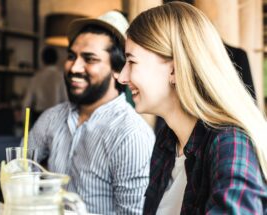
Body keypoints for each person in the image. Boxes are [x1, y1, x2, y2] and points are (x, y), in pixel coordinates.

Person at [117, 2, 267, 214]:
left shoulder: (230, 142)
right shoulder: (167, 141)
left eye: (131, 61)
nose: (122, 76)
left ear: (175, 69)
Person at [25, 10, 155, 214]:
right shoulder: (52, 117)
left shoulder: (130, 134)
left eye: (90, 59)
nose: (74, 67)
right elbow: (21, 171)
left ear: (117, 69)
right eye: (71, 56)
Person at [22, 46, 68, 124]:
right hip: (56, 118)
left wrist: (25, 126)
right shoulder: (61, 77)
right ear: (56, 59)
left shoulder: (36, 77)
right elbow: (66, 101)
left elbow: (26, 103)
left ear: (42, 60)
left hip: (39, 117)